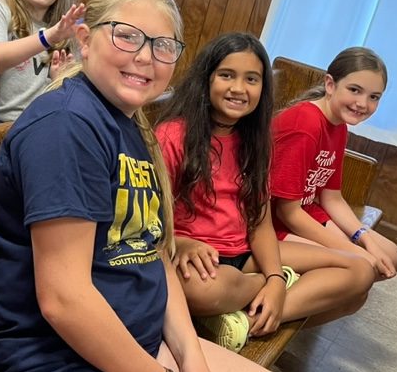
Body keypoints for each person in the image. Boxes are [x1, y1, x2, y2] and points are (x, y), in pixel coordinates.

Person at [0, 0, 312, 372]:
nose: (145, 57)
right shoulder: (66, 126)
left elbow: (153, 254)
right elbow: (64, 300)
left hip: (136, 343)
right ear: (84, 39)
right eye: (126, 36)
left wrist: (191, 357)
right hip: (51, 364)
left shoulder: (130, 127)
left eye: (163, 45)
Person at [155, 33, 375, 353]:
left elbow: (260, 223)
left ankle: (245, 319)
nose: (239, 88)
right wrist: (183, 242)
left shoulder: (256, 141)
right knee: (200, 290)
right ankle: (272, 288)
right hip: (198, 257)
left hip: (246, 254)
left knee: (359, 270)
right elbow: (151, 218)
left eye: (252, 79)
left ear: (262, 87)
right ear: (206, 79)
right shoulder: (173, 135)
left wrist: (273, 277)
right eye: (227, 75)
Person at [270, 47, 397, 281]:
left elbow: (331, 198)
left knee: (390, 254)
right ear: (330, 85)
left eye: (374, 97)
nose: (363, 103)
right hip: (271, 222)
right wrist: (351, 250)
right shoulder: (306, 124)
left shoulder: (339, 126)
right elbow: (287, 212)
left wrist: (365, 239)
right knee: (357, 268)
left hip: (305, 211)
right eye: (355, 90)